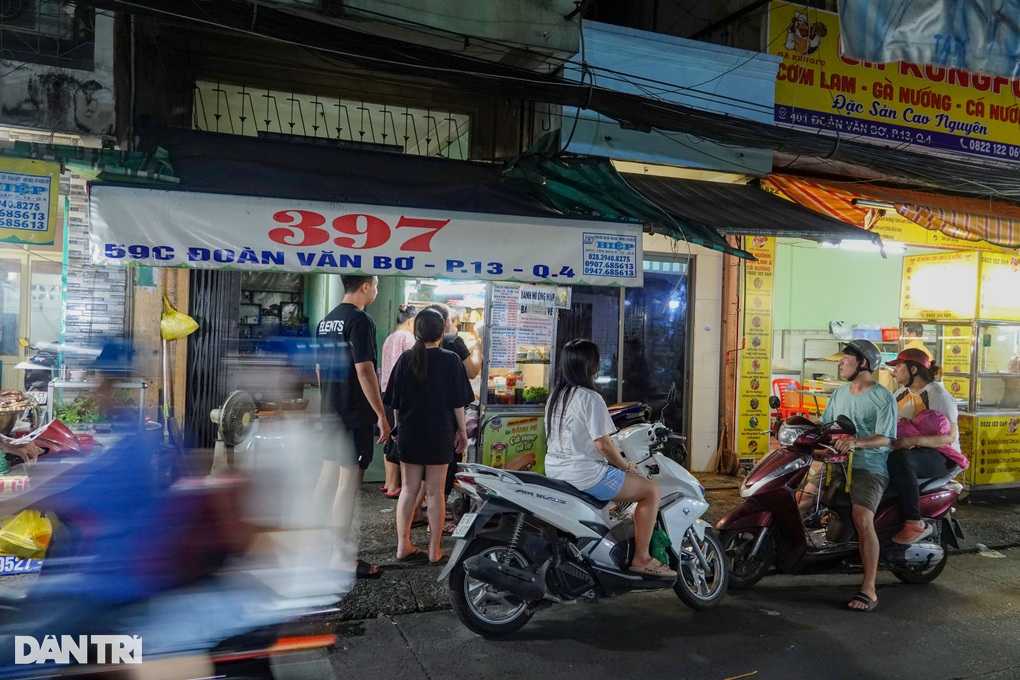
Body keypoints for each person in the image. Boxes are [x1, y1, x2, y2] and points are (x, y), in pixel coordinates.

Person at [544, 339, 676, 577]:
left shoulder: (556, 396)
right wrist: (627, 466)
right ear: (590, 366)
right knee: (650, 491)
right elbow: (604, 445)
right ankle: (641, 558)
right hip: (585, 474)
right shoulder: (590, 398)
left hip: (555, 469)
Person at [311, 275, 390, 579]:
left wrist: (329, 401)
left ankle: (313, 545)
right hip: (354, 414)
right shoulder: (360, 320)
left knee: (327, 478)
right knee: (347, 485)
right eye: (377, 285)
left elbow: (319, 370)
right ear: (367, 285)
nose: (377, 290)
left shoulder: (326, 321)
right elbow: (365, 370)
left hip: (330, 411)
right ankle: (340, 557)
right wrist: (381, 414)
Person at [384, 308, 473, 563]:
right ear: (442, 330)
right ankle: (434, 551)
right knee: (435, 493)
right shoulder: (450, 360)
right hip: (439, 433)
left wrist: (398, 429)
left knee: (408, 490)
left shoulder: (405, 359)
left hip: (410, 432)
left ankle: (403, 546)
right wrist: (462, 433)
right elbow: (459, 403)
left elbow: (396, 403)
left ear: (416, 331)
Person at [820, 339, 897, 612]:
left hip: (869, 466)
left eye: (846, 358)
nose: (840, 362)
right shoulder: (840, 393)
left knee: (862, 518)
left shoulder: (883, 397)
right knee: (802, 497)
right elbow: (826, 425)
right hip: (838, 463)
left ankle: (869, 588)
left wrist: (856, 442)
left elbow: (885, 438)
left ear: (863, 363)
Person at [887, 348, 969, 544]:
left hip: (942, 455)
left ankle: (914, 522)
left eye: (898, 366)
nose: (894, 371)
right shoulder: (900, 393)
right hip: (917, 452)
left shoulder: (937, 395)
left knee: (899, 459)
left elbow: (949, 437)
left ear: (913, 369)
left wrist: (911, 441)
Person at [380, 304, 417, 498]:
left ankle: (389, 483)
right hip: (401, 395)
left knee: (390, 439)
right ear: (411, 321)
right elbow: (412, 368)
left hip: (386, 393)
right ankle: (398, 487)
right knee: (400, 440)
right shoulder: (408, 338)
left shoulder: (389, 338)